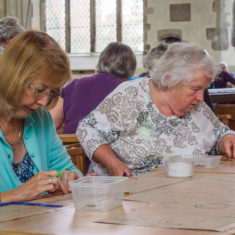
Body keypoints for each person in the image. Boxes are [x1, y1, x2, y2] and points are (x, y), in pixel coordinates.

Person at [77, 42, 235, 176]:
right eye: (195, 89)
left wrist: (227, 139)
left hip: (183, 193)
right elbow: (88, 129)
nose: (201, 97)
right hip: (131, 194)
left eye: (204, 89)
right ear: (170, 81)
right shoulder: (132, 94)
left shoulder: (196, 107)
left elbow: (219, 134)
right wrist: (113, 164)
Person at [0, 30, 84, 203]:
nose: (44, 102)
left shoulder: (41, 119)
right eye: (39, 90)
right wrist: (15, 195)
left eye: (52, 93)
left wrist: (71, 177)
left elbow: (67, 170)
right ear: (14, 75)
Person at [50, 42, 136, 134]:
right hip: (110, 146)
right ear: (131, 68)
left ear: (101, 61)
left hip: (73, 145)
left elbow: (51, 124)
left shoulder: (74, 85)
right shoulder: (131, 91)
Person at [134, 41, 215, 112]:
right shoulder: (140, 92)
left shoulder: (196, 90)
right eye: (153, 72)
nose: (160, 78)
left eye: (164, 72)